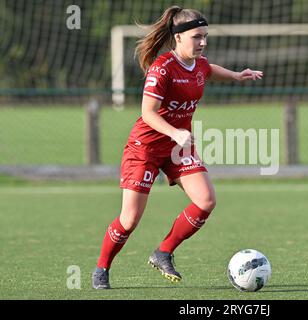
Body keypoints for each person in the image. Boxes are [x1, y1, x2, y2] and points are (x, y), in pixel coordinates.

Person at [92, 5, 263, 289]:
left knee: (206, 201)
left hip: (177, 148)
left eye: (205, 36)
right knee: (129, 219)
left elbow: (209, 70)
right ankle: (101, 268)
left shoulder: (199, 65)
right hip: (145, 148)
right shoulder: (162, 68)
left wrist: (236, 75)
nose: (203, 42)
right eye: (197, 37)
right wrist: (175, 132)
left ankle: (163, 252)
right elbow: (148, 112)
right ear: (179, 37)